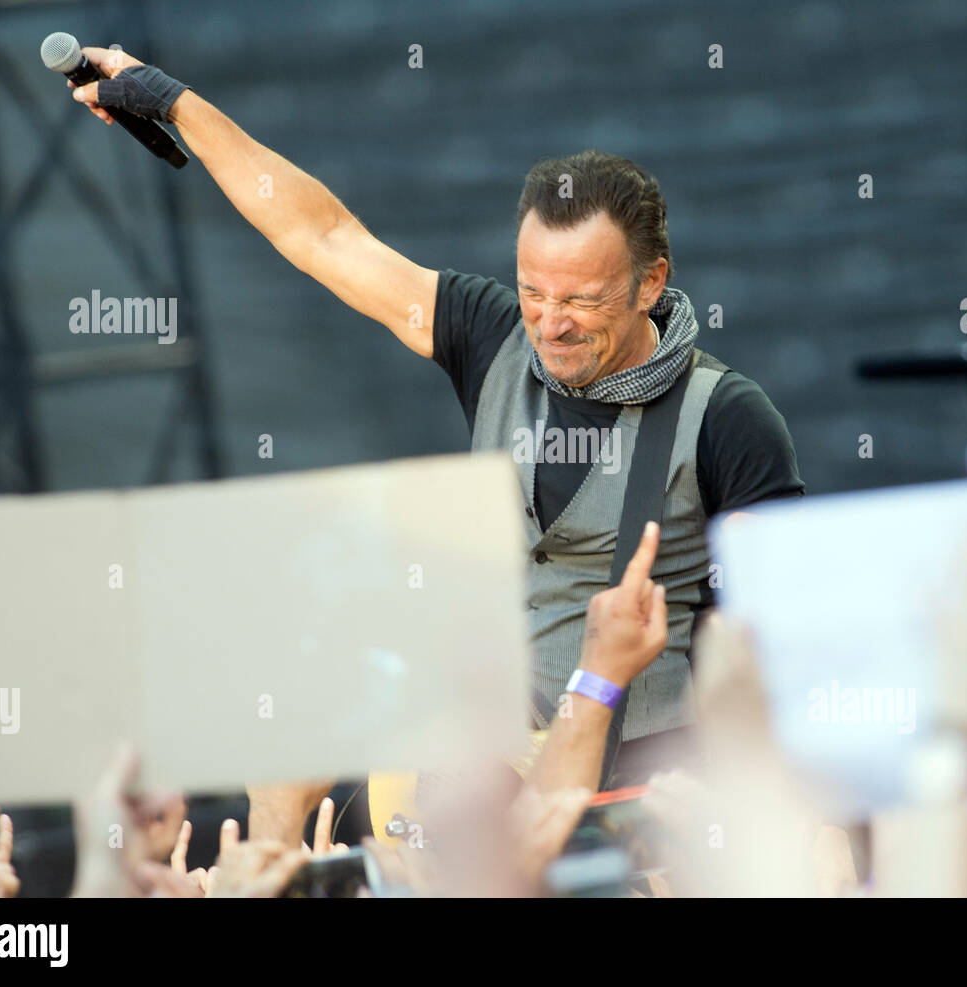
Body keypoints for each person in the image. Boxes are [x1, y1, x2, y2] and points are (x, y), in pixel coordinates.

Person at [66, 51, 805, 784]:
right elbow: (322, 237)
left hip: (652, 789)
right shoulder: (489, 336)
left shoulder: (727, 418)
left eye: (581, 299)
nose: (551, 323)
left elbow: (782, 639)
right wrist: (176, 104)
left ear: (651, 283)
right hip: (493, 785)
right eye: (533, 291)